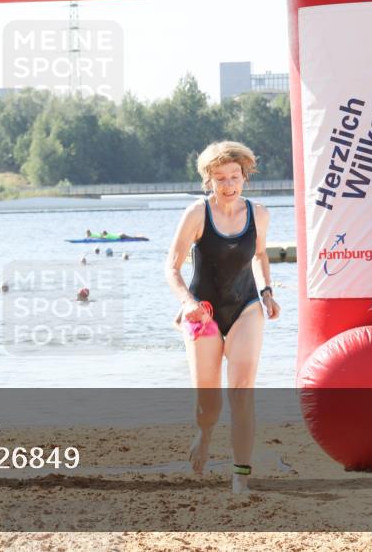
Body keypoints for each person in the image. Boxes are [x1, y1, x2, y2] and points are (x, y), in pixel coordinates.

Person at [165, 141, 280, 495]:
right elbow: (171, 266)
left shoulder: (258, 213)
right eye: (220, 179)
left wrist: (267, 292)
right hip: (204, 312)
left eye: (235, 177)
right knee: (209, 403)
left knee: (242, 390)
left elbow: (260, 255)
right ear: (208, 180)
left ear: (244, 176)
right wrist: (187, 302)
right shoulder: (197, 214)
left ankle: (240, 476)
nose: (229, 185)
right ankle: (204, 432)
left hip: (245, 306)